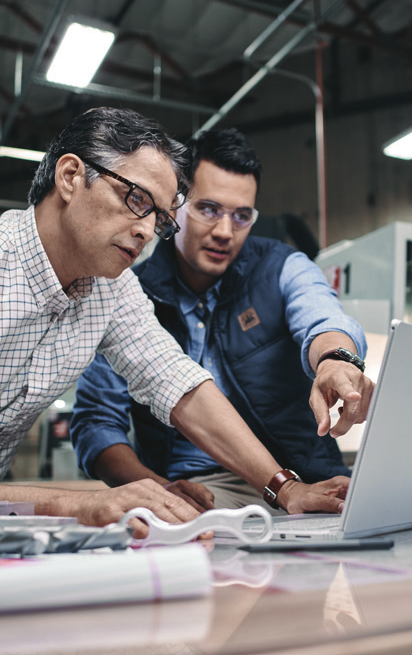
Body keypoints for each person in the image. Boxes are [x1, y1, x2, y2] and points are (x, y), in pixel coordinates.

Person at [0, 108, 352, 536]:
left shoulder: (110, 288)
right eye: (136, 200)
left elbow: (178, 384)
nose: (146, 229)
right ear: (71, 176)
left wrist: (286, 488)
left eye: (159, 218)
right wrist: (81, 503)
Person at [70, 127, 374, 513]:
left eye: (242, 216)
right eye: (209, 209)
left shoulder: (281, 267)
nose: (225, 232)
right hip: (203, 491)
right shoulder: (127, 294)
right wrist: (162, 491)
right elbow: (97, 423)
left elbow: (322, 315)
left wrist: (337, 359)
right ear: (174, 204)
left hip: (305, 477)